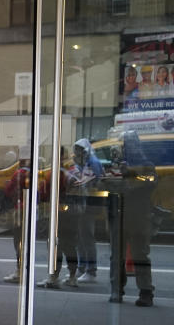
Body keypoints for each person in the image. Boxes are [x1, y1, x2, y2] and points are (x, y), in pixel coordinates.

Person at [103, 130, 156, 307]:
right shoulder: (117, 165)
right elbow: (107, 184)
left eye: (130, 144)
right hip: (118, 214)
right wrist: (110, 177)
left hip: (138, 215)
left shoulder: (146, 165)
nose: (127, 147)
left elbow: (149, 180)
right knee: (116, 256)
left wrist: (131, 174)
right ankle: (116, 290)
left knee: (140, 255)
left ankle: (146, 291)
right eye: (125, 144)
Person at [37, 147, 80, 288]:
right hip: (69, 215)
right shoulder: (70, 174)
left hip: (57, 215)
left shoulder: (54, 174)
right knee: (68, 246)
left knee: (56, 246)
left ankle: (55, 276)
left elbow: (43, 194)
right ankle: (72, 276)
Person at [67, 138, 103, 282]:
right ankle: (82, 268)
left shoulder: (92, 163)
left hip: (89, 205)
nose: (76, 154)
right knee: (81, 238)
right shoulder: (87, 162)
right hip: (84, 204)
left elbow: (89, 182)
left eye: (78, 150)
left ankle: (90, 270)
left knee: (87, 238)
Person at [2, 146, 31, 284]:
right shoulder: (34, 172)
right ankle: (24, 270)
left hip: (20, 209)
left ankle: (19, 271)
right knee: (26, 241)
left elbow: (9, 190)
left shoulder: (19, 173)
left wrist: (6, 184)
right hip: (32, 210)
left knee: (18, 241)